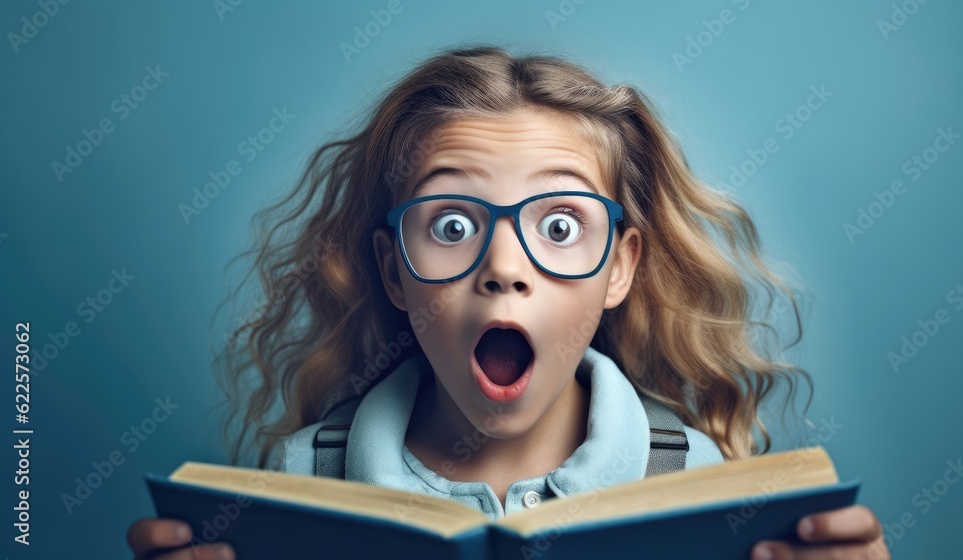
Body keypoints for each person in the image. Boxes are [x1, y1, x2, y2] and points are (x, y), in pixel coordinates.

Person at [127, 46, 889, 560]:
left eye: (559, 226)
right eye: (452, 225)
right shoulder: (298, 484)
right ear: (393, 272)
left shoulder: (699, 483)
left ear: (619, 267)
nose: (502, 268)